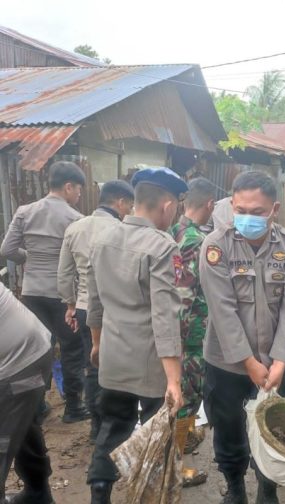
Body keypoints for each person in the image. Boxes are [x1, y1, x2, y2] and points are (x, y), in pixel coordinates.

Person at [200, 171, 285, 504]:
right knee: (228, 429)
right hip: (227, 363)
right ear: (232, 205)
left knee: (274, 430)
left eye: (257, 212)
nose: (248, 218)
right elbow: (223, 311)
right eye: (241, 210)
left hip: (274, 363)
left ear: (274, 210)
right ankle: (235, 488)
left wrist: (280, 362)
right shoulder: (215, 246)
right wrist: (248, 362)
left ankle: (267, 489)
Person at [86, 167, 186, 504]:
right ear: (167, 205)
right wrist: (174, 380)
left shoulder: (102, 239)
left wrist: (97, 344)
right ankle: (149, 493)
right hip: (150, 362)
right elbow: (164, 316)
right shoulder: (162, 246)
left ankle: (100, 492)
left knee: (113, 426)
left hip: (113, 354)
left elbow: (94, 302)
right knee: (157, 432)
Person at [0, 161, 89, 423]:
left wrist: (30, 258)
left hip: (31, 293)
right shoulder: (76, 219)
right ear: (68, 186)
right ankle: (74, 408)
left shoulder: (25, 212)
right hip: (62, 296)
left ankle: (36, 406)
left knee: (36, 350)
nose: (79, 194)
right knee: (72, 348)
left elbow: (7, 250)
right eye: (78, 189)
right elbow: (80, 260)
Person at [57, 180, 135, 443]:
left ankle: (96, 426)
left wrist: (70, 305)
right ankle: (114, 426)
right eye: (129, 206)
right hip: (113, 309)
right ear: (120, 202)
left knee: (92, 367)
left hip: (83, 307)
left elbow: (64, 274)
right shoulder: (121, 230)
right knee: (116, 369)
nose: (129, 211)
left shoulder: (75, 227)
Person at [171, 177, 215, 487]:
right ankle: (176, 467)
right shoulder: (196, 240)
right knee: (188, 397)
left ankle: (177, 450)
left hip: (176, 333)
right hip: (191, 334)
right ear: (209, 204)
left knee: (180, 396)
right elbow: (185, 295)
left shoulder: (172, 231)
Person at [0, 282, 53, 504]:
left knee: (4, 434)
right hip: (35, 349)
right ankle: (38, 493)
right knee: (22, 424)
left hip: (17, 362)